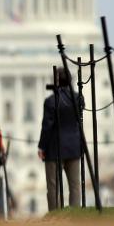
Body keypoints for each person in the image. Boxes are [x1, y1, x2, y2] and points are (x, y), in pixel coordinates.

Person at [37, 67, 85, 212]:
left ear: (55, 81)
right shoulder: (78, 98)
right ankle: (75, 214)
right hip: (74, 146)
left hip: (54, 148)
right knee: (75, 186)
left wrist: (41, 147)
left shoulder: (50, 101)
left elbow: (47, 126)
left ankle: (55, 214)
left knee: (53, 186)